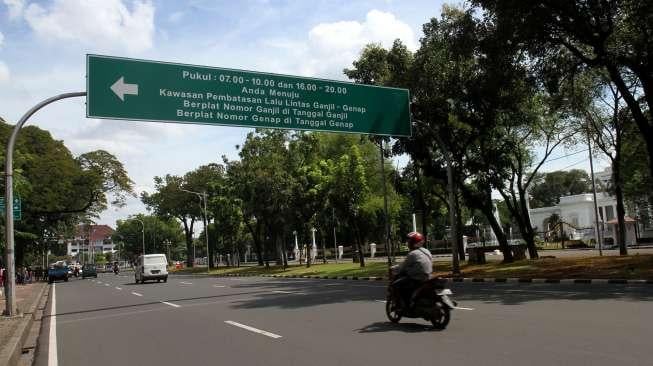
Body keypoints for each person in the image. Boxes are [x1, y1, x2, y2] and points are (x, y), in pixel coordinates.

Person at [391, 231, 433, 310]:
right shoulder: (427, 251)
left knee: (396, 285)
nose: (408, 243)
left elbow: (402, 267)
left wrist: (393, 268)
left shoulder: (412, 254)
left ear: (412, 242)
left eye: (409, 241)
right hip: (428, 277)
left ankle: (407, 305)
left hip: (416, 279)